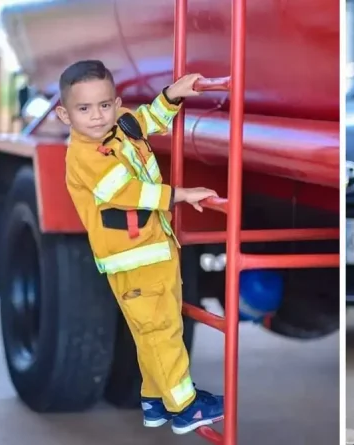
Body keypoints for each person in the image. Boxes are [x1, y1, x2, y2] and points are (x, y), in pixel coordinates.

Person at [58, 60, 223, 435]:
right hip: (132, 259)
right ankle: (185, 406)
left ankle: (154, 399)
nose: (97, 116)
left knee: (152, 329)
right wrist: (181, 194)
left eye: (104, 105)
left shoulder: (121, 125)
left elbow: (147, 120)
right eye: (84, 109)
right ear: (64, 115)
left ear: (116, 103)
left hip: (154, 249)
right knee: (160, 329)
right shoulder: (83, 157)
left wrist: (171, 96)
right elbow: (127, 193)